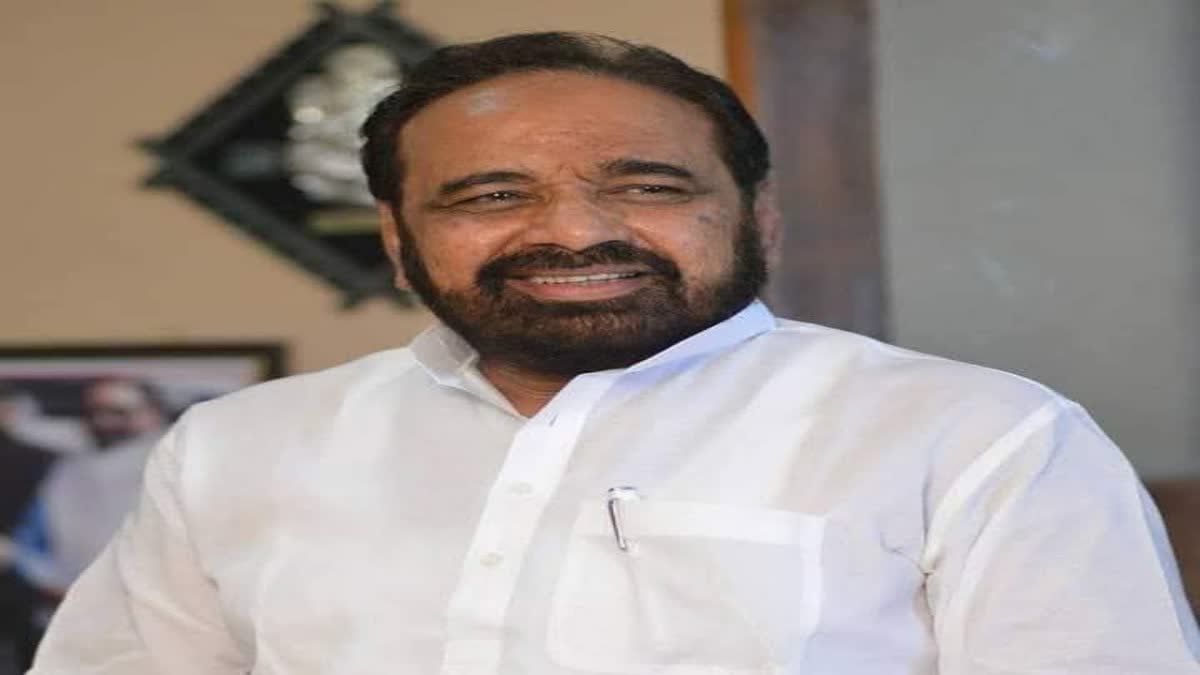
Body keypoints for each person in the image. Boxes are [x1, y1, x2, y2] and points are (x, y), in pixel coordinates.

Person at [28, 32, 1200, 674]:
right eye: (492, 194)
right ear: (397, 238)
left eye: (648, 185)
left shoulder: (983, 440)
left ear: (758, 218)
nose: (576, 232)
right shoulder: (237, 447)